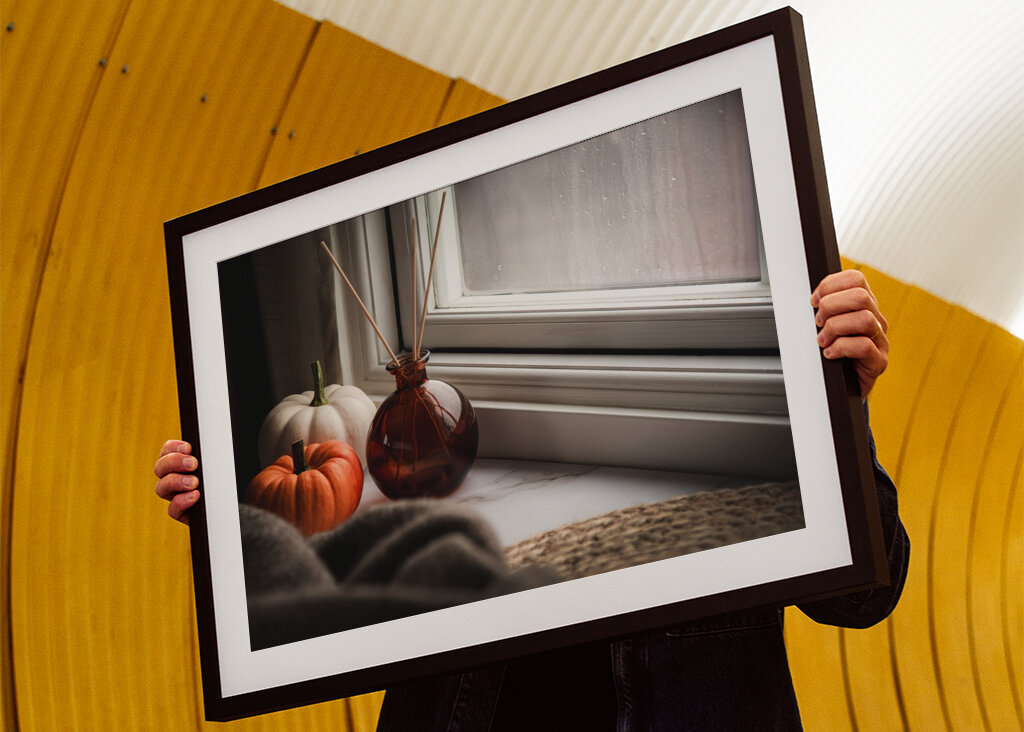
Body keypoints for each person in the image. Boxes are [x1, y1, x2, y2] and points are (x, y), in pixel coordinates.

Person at [155, 269, 909, 730]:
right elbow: (327, 582)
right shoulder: (443, 483)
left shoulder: (745, 446)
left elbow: (865, 595)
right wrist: (234, 518)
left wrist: (838, 407)